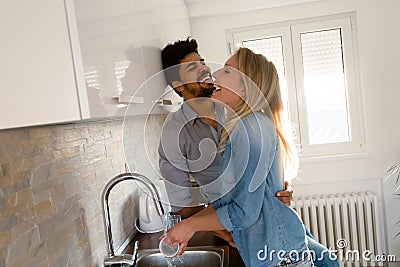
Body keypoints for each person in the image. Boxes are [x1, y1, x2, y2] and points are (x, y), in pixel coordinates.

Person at [163, 47, 338, 267]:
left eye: (226, 71)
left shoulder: (248, 124)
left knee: (327, 261)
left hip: (272, 242)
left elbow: (245, 210)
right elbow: (198, 200)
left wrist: (190, 226)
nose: (211, 72)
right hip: (260, 239)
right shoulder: (186, 129)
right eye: (192, 66)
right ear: (177, 85)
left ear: (247, 88)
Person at [158, 38, 293, 248]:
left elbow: (264, 164)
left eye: (202, 62)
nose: (205, 69)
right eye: (193, 67)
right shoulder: (173, 132)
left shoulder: (238, 111)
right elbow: (182, 203)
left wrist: (278, 189)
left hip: (263, 223)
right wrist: (228, 236)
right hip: (224, 226)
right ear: (178, 85)